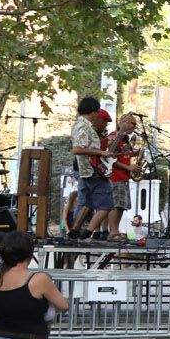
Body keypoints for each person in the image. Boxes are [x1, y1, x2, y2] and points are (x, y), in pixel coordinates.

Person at [69, 97, 112, 239]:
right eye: (97, 111)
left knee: (87, 203)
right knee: (106, 203)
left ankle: (74, 232)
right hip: (92, 169)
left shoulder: (79, 124)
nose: (98, 115)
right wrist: (101, 152)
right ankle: (87, 232)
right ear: (92, 111)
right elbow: (77, 149)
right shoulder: (84, 126)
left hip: (86, 170)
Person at [104, 112, 141, 239]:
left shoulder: (125, 138)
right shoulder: (114, 136)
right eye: (131, 123)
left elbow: (124, 154)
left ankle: (115, 230)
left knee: (121, 206)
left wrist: (136, 153)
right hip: (116, 175)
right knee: (116, 205)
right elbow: (110, 156)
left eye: (135, 124)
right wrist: (128, 167)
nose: (134, 126)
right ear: (122, 122)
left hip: (124, 176)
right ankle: (113, 231)